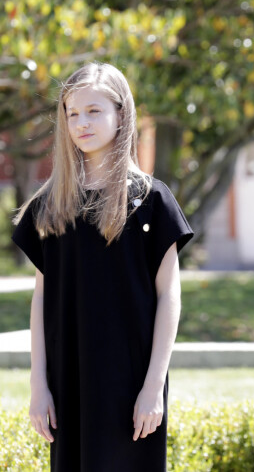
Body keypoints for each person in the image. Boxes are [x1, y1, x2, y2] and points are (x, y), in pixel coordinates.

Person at [12, 63, 194, 471]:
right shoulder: (49, 205)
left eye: (94, 111)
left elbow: (170, 297)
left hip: (131, 382)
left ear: (121, 112)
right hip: (67, 380)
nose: (81, 123)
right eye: (72, 113)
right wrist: (38, 385)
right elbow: (42, 300)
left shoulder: (153, 201)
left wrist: (153, 388)